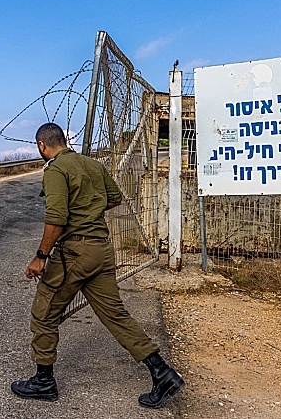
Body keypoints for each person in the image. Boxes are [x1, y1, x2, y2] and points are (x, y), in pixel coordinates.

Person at [10, 122, 184, 408]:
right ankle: (162, 372)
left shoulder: (55, 169)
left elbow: (56, 218)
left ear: (42, 145)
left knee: (43, 313)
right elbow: (114, 198)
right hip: (102, 250)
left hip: (76, 253)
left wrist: (41, 256)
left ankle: (43, 381)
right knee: (116, 315)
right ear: (63, 140)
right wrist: (88, 212)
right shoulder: (92, 165)